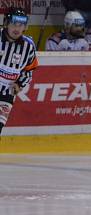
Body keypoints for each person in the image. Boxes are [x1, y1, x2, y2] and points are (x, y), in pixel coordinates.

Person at [0, 8, 38, 137]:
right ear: (6, 23)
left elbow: (29, 69)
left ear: (25, 26)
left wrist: (20, 84)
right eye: (13, 24)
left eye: (21, 25)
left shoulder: (29, 46)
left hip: (7, 93)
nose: (17, 28)